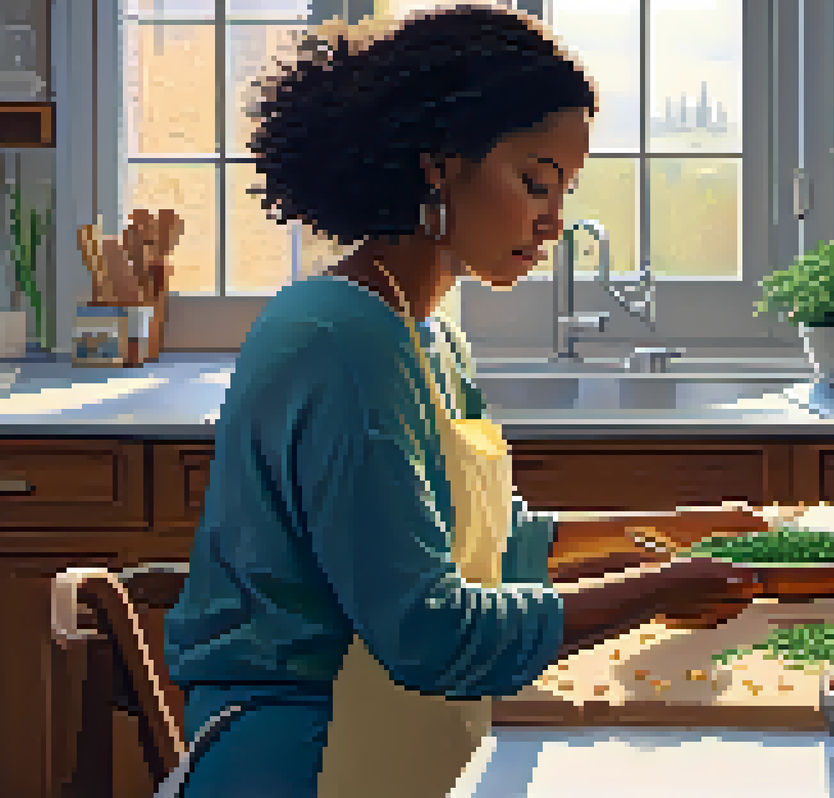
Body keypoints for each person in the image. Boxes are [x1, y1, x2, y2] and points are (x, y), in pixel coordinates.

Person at [160, 7, 761, 797]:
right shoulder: (338, 338)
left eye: (564, 191)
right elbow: (428, 631)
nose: (553, 221)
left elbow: (497, 549)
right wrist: (652, 591)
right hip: (304, 754)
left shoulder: (426, 332)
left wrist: (674, 532)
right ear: (441, 164)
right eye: (536, 182)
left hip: (412, 735)